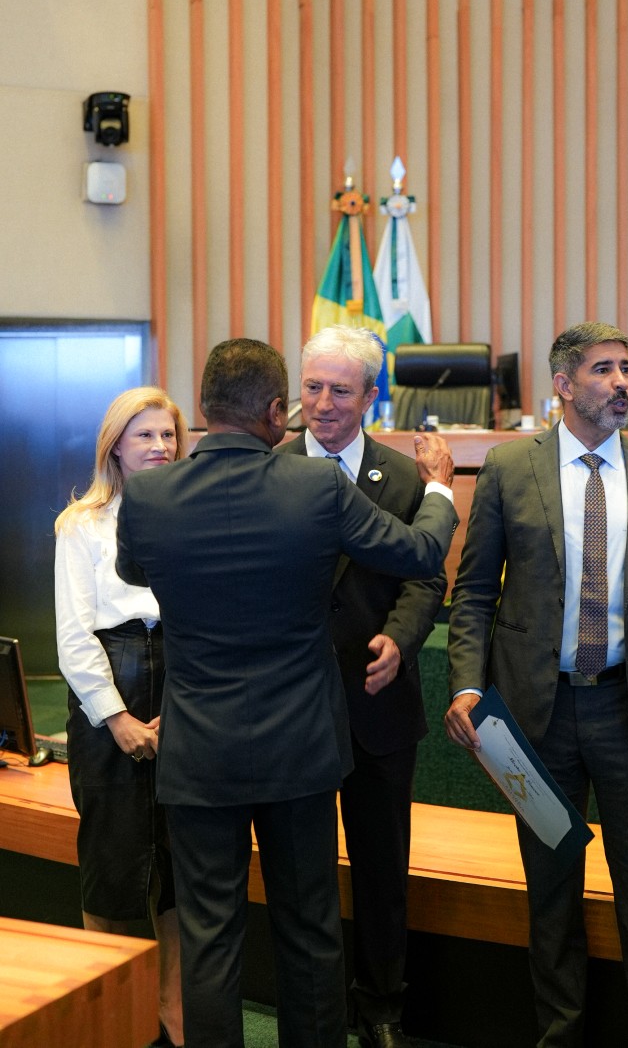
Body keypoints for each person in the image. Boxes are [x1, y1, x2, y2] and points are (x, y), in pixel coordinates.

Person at [114, 337, 458, 1048]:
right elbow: (423, 552)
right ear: (277, 411)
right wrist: (440, 489)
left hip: (199, 752)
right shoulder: (316, 487)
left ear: (203, 406)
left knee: (210, 936)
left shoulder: (147, 496)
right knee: (308, 931)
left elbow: (133, 570)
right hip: (300, 748)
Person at [445, 321, 628, 1048]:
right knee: (551, 899)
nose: (623, 382)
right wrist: (466, 685)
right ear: (563, 385)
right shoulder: (510, 469)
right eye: (604, 369)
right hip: (537, 722)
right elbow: (473, 594)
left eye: (627, 369)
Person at [277, 325, 447, 1048]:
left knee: (382, 872)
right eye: (311, 387)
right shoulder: (270, 469)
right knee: (303, 873)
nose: (322, 404)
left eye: (340, 390)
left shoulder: (404, 479)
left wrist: (399, 640)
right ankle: (315, 1012)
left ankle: (382, 1009)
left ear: (371, 396)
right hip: (292, 709)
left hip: (378, 706)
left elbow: (425, 578)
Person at [55, 386, 189, 1048]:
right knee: (111, 863)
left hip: (183, 688)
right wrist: (119, 720)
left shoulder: (193, 513)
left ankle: (173, 1014)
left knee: (178, 869)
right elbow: (74, 638)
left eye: (168, 435)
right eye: (145, 435)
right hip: (111, 689)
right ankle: (107, 1022)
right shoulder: (81, 524)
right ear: (115, 446)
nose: (160, 446)